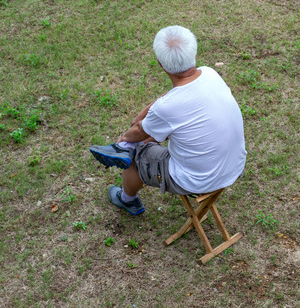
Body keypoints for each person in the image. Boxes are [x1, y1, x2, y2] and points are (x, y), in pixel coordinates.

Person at [89, 26, 247, 215]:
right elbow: (167, 100)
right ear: (194, 52)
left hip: (200, 181)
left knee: (135, 154)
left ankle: (127, 198)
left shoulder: (168, 108)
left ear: (161, 64)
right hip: (234, 165)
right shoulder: (210, 73)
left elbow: (139, 129)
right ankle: (124, 149)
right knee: (157, 131)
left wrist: (124, 137)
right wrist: (144, 121)